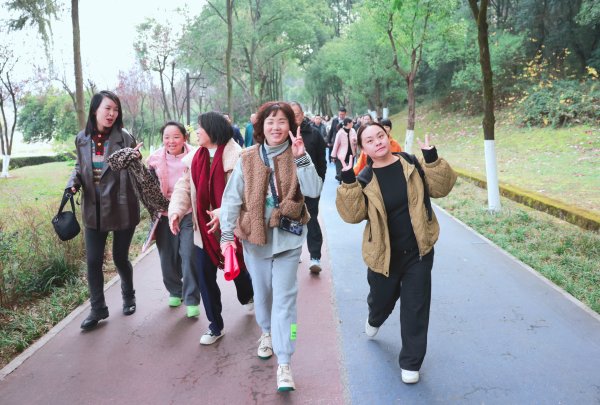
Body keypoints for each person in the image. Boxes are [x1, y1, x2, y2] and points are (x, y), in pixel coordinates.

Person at [335, 122, 457, 385]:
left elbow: (442, 188)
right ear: (363, 148)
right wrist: (348, 181)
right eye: (370, 140)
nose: (377, 142)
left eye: (380, 135)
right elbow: (353, 215)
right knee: (381, 300)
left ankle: (411, 362)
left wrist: (432, 159)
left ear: (388, 136)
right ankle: (375, 317)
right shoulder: (364, 179)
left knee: (415, 307)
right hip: (384, 255)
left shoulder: (411, 164)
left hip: (418, 252)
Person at [219, 101, 322, 391]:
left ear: (291, 126)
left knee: (285, 300)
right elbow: (231, 198)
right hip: (255, 238)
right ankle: (266, 331)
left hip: (289, 239)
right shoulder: (248, 157)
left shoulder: (298, 152)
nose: (276, 127)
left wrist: (302, 159)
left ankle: (285, 362)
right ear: (261, 127)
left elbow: (314, 190)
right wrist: (227, 235)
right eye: (270, 122)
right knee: (263, 295)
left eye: (282, 122)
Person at [169, 112, 254, 345]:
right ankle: (215, 325)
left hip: (230, 228)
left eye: (200, 127)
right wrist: (176, 211)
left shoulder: (238, 157)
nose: (196, 131)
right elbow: (184, 187)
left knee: (237, 269)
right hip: (203, 230)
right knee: (205, 277)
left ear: (213, 130)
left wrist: (222, 212)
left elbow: (245, 195)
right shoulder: (196, 158)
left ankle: (248, 295)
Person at [66, 90, 141, 331]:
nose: (112, 113)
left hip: (122, 206)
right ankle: (98, 308)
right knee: (93, 260)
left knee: (120, 257)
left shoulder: (125, 138)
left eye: (115, 109)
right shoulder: (82, 138)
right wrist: (72, 183)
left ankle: (128, 296)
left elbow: (137, 171)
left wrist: (135, 159)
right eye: (107, 108)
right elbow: (79, 166)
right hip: (94, 209)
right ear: (94, 110)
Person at [146, 121, 201, 317]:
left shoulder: (196, 155)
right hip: (164, 214)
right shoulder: (154, 160)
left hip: (189, 212)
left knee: (189, 254)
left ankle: (192, 298)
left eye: (176, 137)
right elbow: (146, 188)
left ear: (184, 138)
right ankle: (175, 290)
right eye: (167, 137)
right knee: (167, 257)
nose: (171, 141)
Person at [290, 102, 327, 274]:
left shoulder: (314, 134)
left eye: (296, 114)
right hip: (290, 188)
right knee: (292, 220)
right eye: (290, 115)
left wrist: (319, 182)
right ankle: (295, 250)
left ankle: (315, 256)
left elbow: (322, 161)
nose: (294, 118)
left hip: (311, 186)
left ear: (303, 114)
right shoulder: (283, 135)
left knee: (311, 220)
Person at [331, 117, 357, 183]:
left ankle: (349, 181)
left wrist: (355, 141)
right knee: (343, 168)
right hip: (342, 154)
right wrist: (333, 156)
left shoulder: (353, 130)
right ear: (348, 123)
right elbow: (336, 144)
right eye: (352, 122)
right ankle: (341, 180)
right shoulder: (340, 132)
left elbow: (356, 140)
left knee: (350, 168)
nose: (353, 124)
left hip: (351, 153)